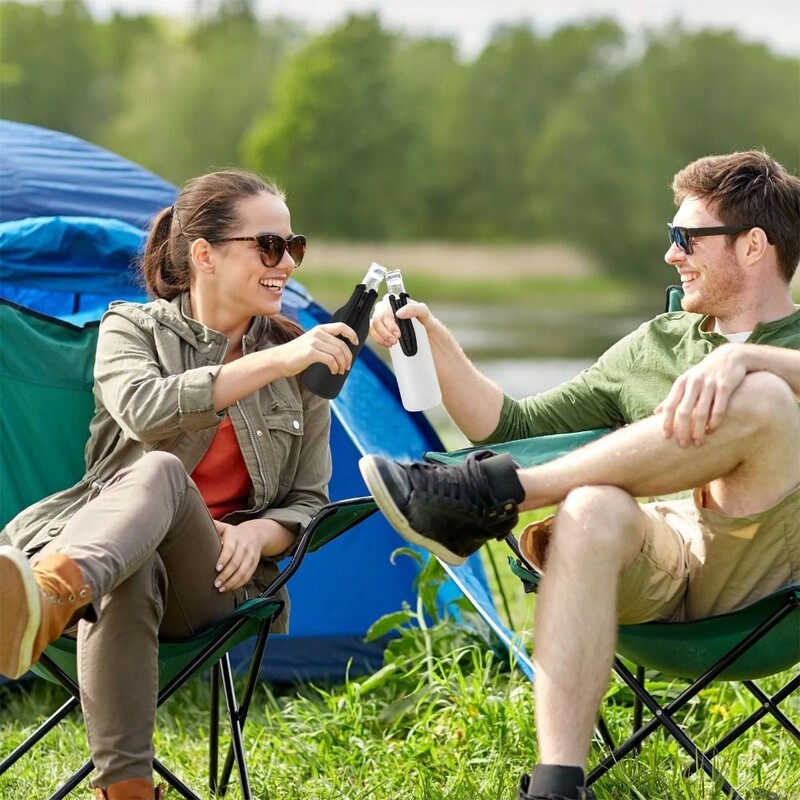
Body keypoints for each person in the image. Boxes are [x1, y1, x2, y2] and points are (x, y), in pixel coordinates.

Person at [359, 150, 800, 800]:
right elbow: (511, 429)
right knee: (591, 504)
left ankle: (498, 493)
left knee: (763, 399)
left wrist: (750, 361)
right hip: (651, 565)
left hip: (763, 577)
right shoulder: (656, 344)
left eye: (686, 238)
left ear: (754, 245)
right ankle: (559, 784)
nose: (671, 255)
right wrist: (430, 337)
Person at [0, 169, 359, 800]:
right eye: (268, 247)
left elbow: (309, 501)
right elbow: (145, 410)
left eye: (293, 247)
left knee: (158, 478)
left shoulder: (303, 363)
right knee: (133, 556)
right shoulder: (131, 328)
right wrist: (274, 360)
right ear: (205, 255)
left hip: (212, 579)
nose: (286, 265)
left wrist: (260, 532)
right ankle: (130, 791)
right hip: (114, 557)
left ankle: (52, 595)